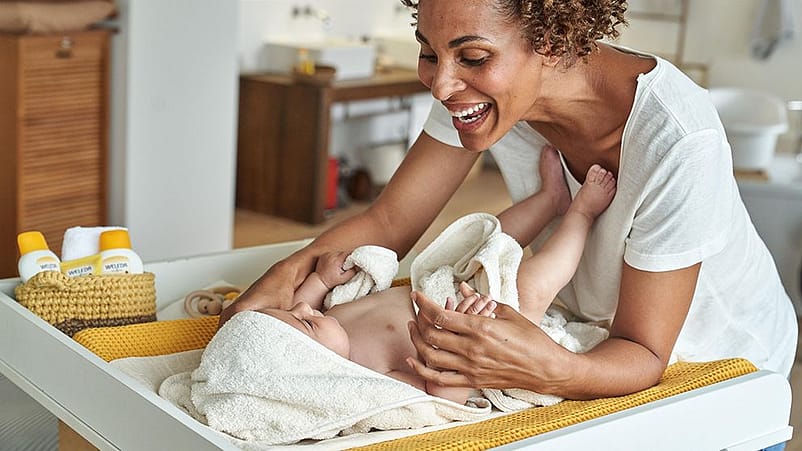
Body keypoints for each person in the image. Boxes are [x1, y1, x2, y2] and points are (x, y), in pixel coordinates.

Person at [224, 0, 796, 424]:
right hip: (575, 318)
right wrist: (286, 277)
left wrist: (547, 367)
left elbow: (644, 353)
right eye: (428, 52)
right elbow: (391, 222)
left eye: (472, 56)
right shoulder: (476, 93)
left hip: (715, 362)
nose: (441, 85)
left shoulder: (677, 140)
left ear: (552, 41)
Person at [256, 153, 616, 405]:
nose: (304, 308)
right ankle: (582, 213)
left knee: (485, 244)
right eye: (306, 322)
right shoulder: (367, 378)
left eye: (295, 311)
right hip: (480, 331)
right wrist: (454, 344)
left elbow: (302, 305)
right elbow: (440, 396)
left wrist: (322, 280)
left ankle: (550, 199)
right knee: (531, 288)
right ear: (316, 368)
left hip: (439, 287)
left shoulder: (312, 322)